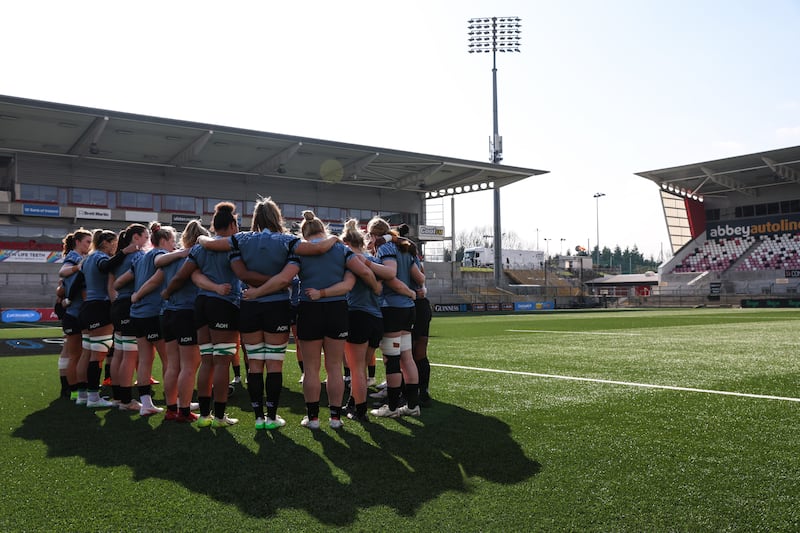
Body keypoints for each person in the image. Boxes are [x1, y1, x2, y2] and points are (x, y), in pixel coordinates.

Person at [198, 197, 338, 430]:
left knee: (254, 365)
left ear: (255, 219)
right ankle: (271, 417)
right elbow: (318, 248)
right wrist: (333, 237)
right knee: (274, 364)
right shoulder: (288, 241)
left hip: (250, 306)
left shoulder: (240, 239)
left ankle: (258, 418)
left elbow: (209, 244)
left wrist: (201, 235)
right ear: (277, 218)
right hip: (277, 306)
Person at [245, 210, 380, 429]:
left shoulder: (301, 251)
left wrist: (256, 293)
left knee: (311, 368)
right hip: (337, 310)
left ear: (304, 233)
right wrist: (377, 288)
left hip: (309, 311)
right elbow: (365, 273)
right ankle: (335, 418)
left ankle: (313, 418)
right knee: (335, 366)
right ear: (323, 229)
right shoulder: (340, 249)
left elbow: (282, 279)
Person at [163, 202, 241, 428]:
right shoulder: (234, 244)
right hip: (224, 304)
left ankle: (205, 416)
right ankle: (219, 417)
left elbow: (181, 277)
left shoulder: (199, 248)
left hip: (201, 305)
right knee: (222, 363)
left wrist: (167, 292)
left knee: (206, 361)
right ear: (233, 224)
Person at [135, 220, 214, 422]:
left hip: (167, 314)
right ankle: (184, 411)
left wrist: (137, 296)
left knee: (173, 365)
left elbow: (155, 278)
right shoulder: (196, 257)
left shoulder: (169, 258)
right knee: (189, 365)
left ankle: (172, 408)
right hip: (186, 313)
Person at [338, 219, 415, 421]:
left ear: (346, 242)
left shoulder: (351, 259)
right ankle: (353, 403)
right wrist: (409, 291)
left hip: (357, 315)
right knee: (363, 366)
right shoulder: (374, 259)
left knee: (356, 370)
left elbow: (349, 284)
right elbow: (391, 278)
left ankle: (359, 410)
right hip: (377, 318)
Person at [365, 217, 425, 418]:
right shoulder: (406, 247)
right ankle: (412, 405)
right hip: (408, 309)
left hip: (392, 308)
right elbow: (421, 278)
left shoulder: (385, 248)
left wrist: (365, 262)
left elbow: (391, 274)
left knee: (392, 359)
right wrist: (412, 291)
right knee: (407, 358)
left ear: (374, 234)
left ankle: (391, 408)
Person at [114, 222, 174, 416]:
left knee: (145, 359)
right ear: (163, 241)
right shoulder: (161, 255)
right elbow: (157, 277)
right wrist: (139, 294)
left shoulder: (139, 259)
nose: (175, 245)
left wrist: (134, 295)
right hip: (152, 312)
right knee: (169, 359)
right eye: (173, 241)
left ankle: (146, 403)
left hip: (137, 314)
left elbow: (119, 282)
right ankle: (175, 401)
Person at [78, 229, 139, 408]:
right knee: (97, 356)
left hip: (88, 306)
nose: (115, 246)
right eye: (114, 243)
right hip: (99, 307)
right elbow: (105, 267)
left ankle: (83, 395)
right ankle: (93, 397)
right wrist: (124, 252)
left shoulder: (88, 258)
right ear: (106, 243)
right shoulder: (99, 257)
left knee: (87, 353)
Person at [108, 224, 149, 408]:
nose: (147, 241)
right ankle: (126, 400)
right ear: (136, 237)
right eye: (145, 237)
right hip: (129, 305)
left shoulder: (118, 256)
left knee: (119, 353)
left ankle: (118, 397)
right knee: (129, 355)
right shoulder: (138, 257)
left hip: (118, 305)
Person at [398, 224, 434, 407]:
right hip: (422, 306)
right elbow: (422, 278)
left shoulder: (404, 257)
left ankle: (409, 394)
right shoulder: (415, 257)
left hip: (412, 305)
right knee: (419, 352)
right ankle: (423, 391)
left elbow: (420, 279)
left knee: (408, 353)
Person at [58, 228, 92, 402]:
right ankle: (77, 391)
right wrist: (78, 267)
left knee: (76, 355)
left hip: (74, 312)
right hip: (78, 313)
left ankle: (76, 391)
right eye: (87, 241)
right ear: (77, 242)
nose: (89, 245)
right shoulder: (75, 258)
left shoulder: (78, 258)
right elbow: (62, 272)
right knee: (79, 355)